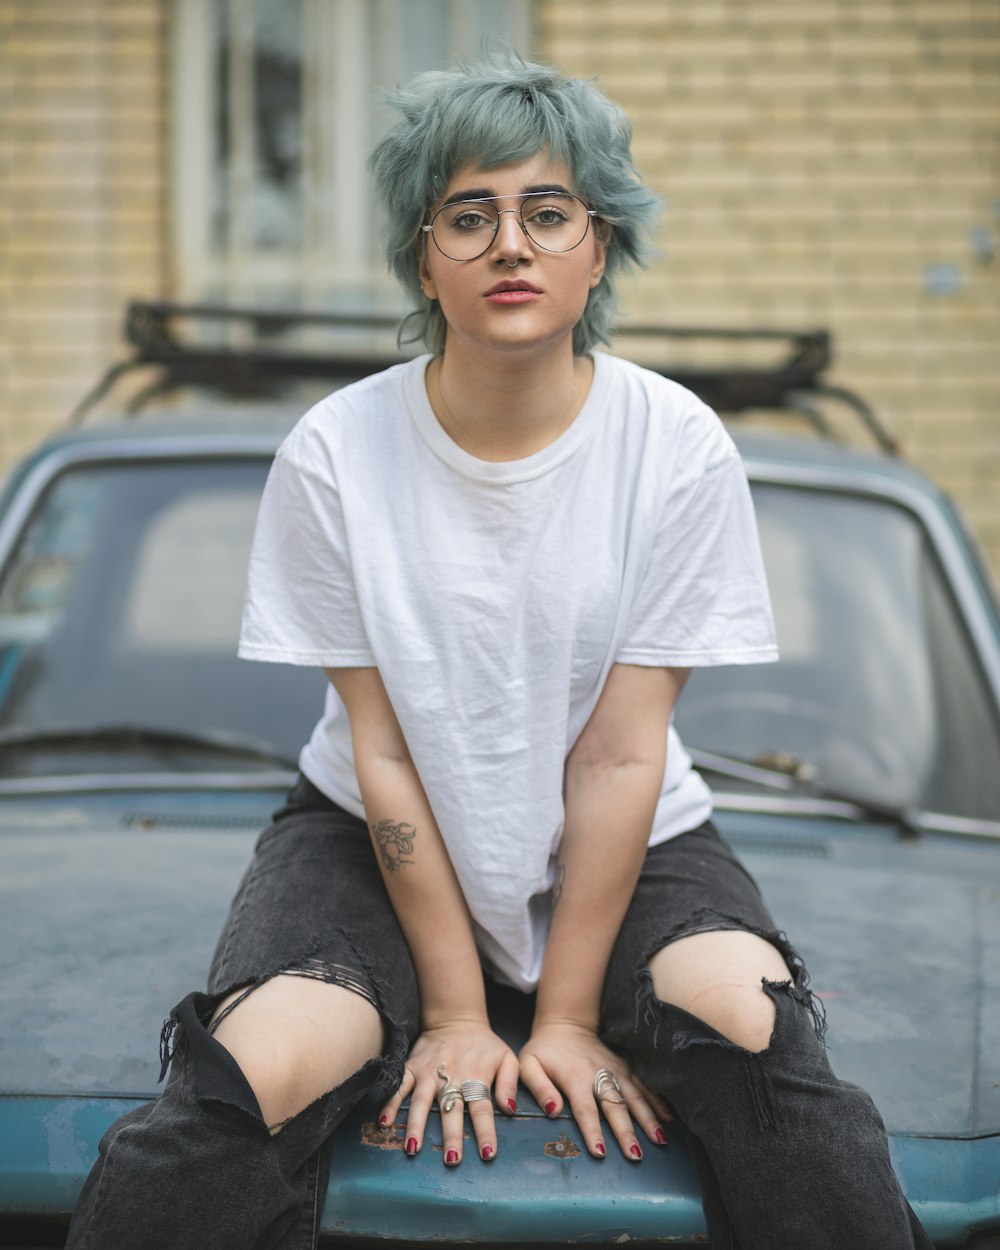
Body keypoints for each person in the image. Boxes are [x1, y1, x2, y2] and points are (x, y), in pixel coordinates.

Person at [67, 49, 933, 1250]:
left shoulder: (673, 447)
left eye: (547, 211)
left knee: (756, 1035)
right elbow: (382, 750)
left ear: (600, 244)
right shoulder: (335, 451)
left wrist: (565, 1016)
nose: (509, 244)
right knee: (249, 1073)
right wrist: (459, 1009)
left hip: (637, 831)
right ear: (423, 256)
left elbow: (623, 757)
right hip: (361, 834)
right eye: (467, 214)